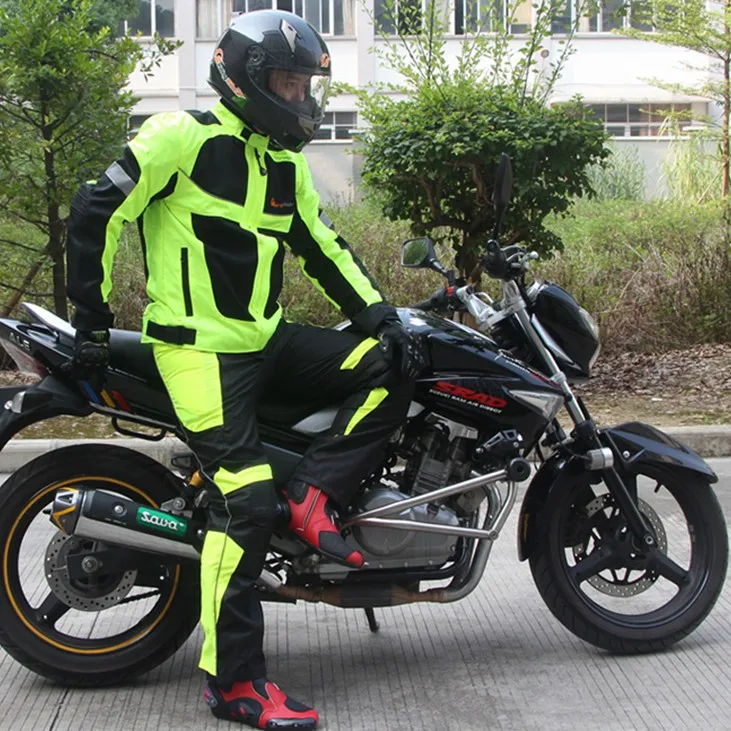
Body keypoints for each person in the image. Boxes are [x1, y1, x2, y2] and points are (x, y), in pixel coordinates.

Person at [65, 9, 425, 730]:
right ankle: (233, 684)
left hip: (266, 341)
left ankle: (315, 494)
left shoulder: (282, 166)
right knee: (248, 503)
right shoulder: (180, 137)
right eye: (287, 83)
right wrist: (90, 316)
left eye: (303, 84)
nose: (299, 97)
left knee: (393, 362)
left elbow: (324, 249)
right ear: (244, 78)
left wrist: (383, 317)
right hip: (197, 351)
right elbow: (95, 207)